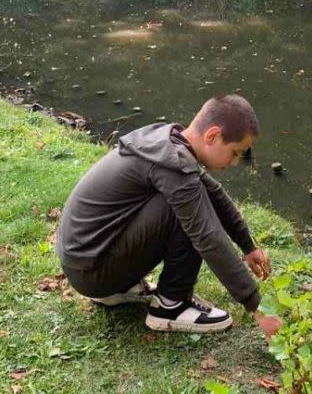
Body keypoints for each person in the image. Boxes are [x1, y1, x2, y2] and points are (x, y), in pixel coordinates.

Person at [56, 94, 283, 338]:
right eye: (236, 153)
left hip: (85, 264)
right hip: (93, 272)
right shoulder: (174, 164)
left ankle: (124, 288)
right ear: (212, 135)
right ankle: (171, 305)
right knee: (186, 208)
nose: (236, 162)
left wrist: (248, 246)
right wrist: (257, 307)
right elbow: (209, 237)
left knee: (194, 195)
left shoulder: (168, 142)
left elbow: (214, 192)